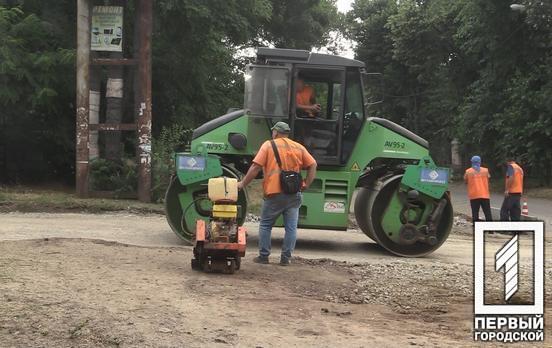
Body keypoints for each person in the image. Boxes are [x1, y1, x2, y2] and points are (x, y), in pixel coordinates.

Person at [238, 122, 317, 265]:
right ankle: (285, 259)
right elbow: (313, 165)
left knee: (266, 225)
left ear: (275, 133)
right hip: (294, 193)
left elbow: (255, 167)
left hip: (274, 193)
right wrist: (306, 183)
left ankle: (264, 256)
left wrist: (242, 184)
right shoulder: (298, 147)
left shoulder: (268, 145)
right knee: (291, 228)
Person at [464, 155, 492, 223]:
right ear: (480, 161)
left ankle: (476, 228)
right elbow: (488, 178)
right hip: (485, 195)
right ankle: (491, 230)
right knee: (487, 212)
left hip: (474, 195)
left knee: (475, 213)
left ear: (472, 162)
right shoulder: (485, 170)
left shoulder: (468, 171)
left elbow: (465, 181)